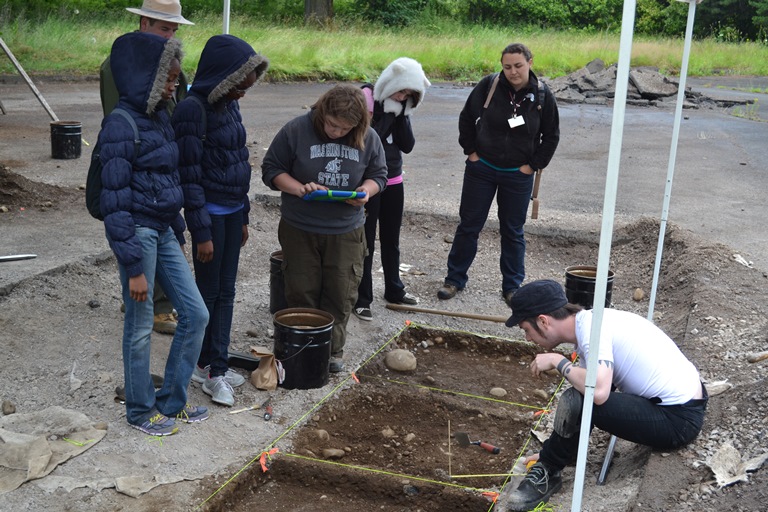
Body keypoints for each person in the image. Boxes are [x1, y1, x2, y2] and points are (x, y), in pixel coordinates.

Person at [503, 280, 707, 511]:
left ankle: (547, 472)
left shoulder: (592, 331)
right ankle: (554, 459)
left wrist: (557, 361)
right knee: (581, 392)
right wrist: (556, 447)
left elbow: (598, 393)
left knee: (578, 399)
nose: (528, 338)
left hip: (678, 420)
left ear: (543, 321)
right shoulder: (591, 322)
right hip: (685, 403)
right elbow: (599, 389)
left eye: (526, 330)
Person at [98, 32, 209, 436]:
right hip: (137, 239)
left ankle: (172, 402)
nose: (174, 86)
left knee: (196, 314)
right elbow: (114, 203)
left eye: (176, 79)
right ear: (144, 77)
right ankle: (140, 411)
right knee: (140, 325)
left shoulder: (161, 116)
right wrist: (133, 268)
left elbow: (166, 179)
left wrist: (178, 228)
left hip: (161, 232)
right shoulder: (119, 125)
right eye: (167, 79)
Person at [261, 84, 388, 373]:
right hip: (300, 227)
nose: (336, 132)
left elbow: (379, 175)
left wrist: (365, 192)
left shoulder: (369, 137)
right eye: (331, 124)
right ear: (322, 111)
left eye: (344, 129)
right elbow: (271, 169)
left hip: (346, 229)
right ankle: (301, 348)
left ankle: (332, 351)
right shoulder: (295, 130)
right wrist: (299, 188)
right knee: (301, 289)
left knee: (340, 292)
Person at [172, 34, 269, 407]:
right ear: (223, 77)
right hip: (208, 218)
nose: (243, 93)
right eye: (239, 86)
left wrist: (243, 214)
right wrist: (200, 231)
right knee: (207, 294)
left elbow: (238, 163)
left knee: (226, 292)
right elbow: (188, 175)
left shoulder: (229, 106)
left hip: (231, 213)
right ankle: (209, 371)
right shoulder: (192, 110)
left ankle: (213, 362)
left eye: (247, 87)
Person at [437, 43, 560, 306]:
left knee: (513, 231)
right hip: (482, 170)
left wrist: (532, 165)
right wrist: (471, 152)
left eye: (518, 66)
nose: (513, 72)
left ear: (530, 62)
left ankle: (512, 286)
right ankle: (454, 279)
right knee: (469, 226)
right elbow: (466, 118)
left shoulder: (542, 96)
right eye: (507, 67)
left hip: (518, 175)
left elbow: (551, 136)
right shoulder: (489, 85)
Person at [100, 0, 194, 335]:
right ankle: (146, 303)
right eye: (164, 28)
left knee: (164, 234)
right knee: (138, 233)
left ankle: (158, 303)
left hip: (161, 163)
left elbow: (173, 107)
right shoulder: (119, 66)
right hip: (135, 162)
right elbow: (121, 114)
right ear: (143, 24)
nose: (169, 35)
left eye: (173, 30)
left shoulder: (172, 67)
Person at [352, 57, 431, 322]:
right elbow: (367, 139)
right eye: (401, 90)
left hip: (394, 179)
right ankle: (362, 298)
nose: (403, 95)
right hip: (369, 181)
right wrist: (388, 111)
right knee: (366, 241)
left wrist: (403, 113)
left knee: (391, 239)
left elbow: (407, 145)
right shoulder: (367, 97)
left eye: (409, 94)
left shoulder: (400, 105)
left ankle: (394, 289)